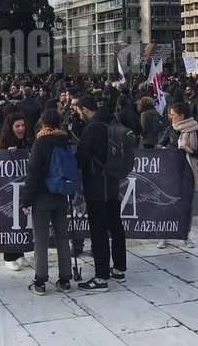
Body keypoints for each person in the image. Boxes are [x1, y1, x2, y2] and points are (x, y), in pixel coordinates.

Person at [74, 94, 126, 292]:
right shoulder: (111, 121)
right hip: (112, 183)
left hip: (97, 185)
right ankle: (119, 268)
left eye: (80, 112)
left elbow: (81, 157)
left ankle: (101, 277)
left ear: (86, 109)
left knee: (98, 231)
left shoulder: (93, 128)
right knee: (116, 225)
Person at [20, 109, 74, 295]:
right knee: (62, 237)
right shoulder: (65, 140)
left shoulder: (41, 143)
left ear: (43, 123)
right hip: (61, 194)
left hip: (42, 196)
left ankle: (40, 281)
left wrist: (26, 200)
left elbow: (33, 175)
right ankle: (65, 279)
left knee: (41, 240)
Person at [158, 102, 198, 248]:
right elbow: (160, 145)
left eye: (173, 115)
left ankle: (185, 234)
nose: (171, 118)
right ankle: (164, 235)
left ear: (182, 115)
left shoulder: (196, 130)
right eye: (170, 115)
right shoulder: (170, 129)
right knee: (167, 205)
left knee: (187, 206)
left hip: (189, 173)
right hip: (171, 173)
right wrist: (165, 150)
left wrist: (191, 151)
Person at [0, 113, 32, 271]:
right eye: (17, 126)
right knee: (10, 222)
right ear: (11, 128)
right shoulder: (5, 143)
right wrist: (8, 154)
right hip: (10, 190)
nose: (21, 128)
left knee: (22, 222)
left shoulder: (25, 141)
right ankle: (8, 256)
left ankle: (19, 253)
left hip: (23, 188)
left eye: (23, 125)